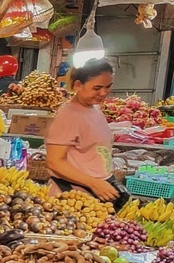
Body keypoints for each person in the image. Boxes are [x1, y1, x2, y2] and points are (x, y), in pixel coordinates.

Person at [43, 58, 121, 202]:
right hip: (72, 197)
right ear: (78, 85)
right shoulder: (68, 116)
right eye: (97, 88)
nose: (103, 93)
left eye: (108, 86)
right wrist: (94, 183)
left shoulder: (95, 109)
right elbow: (54, 162)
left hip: (96, 194)